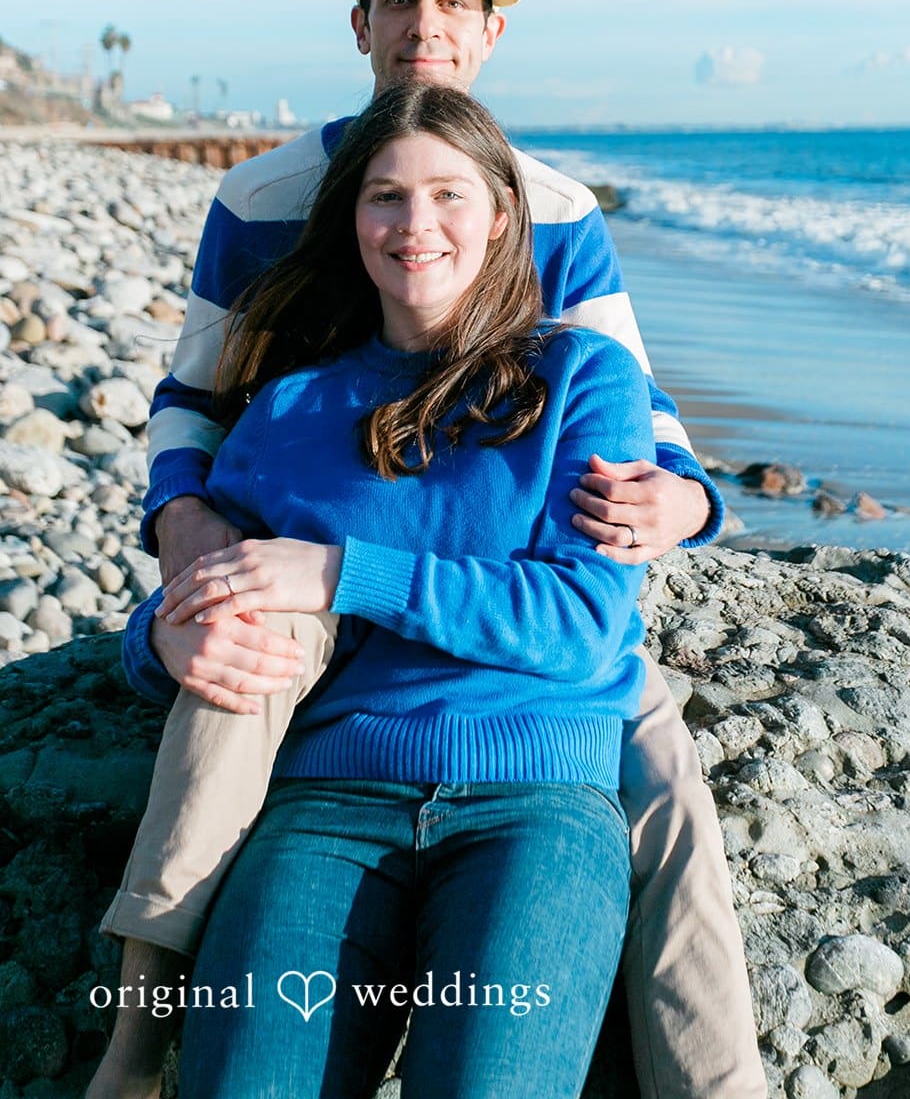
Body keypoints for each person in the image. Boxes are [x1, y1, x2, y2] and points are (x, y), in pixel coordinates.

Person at [92, 0, 765, 1099]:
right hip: (339, 765)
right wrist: (180, 544)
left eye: (452, 3)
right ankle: (139, 1036)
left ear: (491, 34)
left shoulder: (561, 228)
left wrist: (694, 503)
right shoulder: (263, 217)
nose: (424, 25)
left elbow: (638, 437)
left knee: (664, 798)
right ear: (360, 24)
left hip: (530, 742)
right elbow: (191, 395)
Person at [120, 81, 659, 1098]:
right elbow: (193, 598)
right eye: (385, 196)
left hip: (532, 802)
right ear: (350, 220)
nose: (416, 224)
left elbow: (584, 622)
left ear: (502, 217)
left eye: (449, 195)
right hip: (324, 802)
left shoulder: (579, 378)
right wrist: (164, 644)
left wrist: (340, 569)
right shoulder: (292, 405)